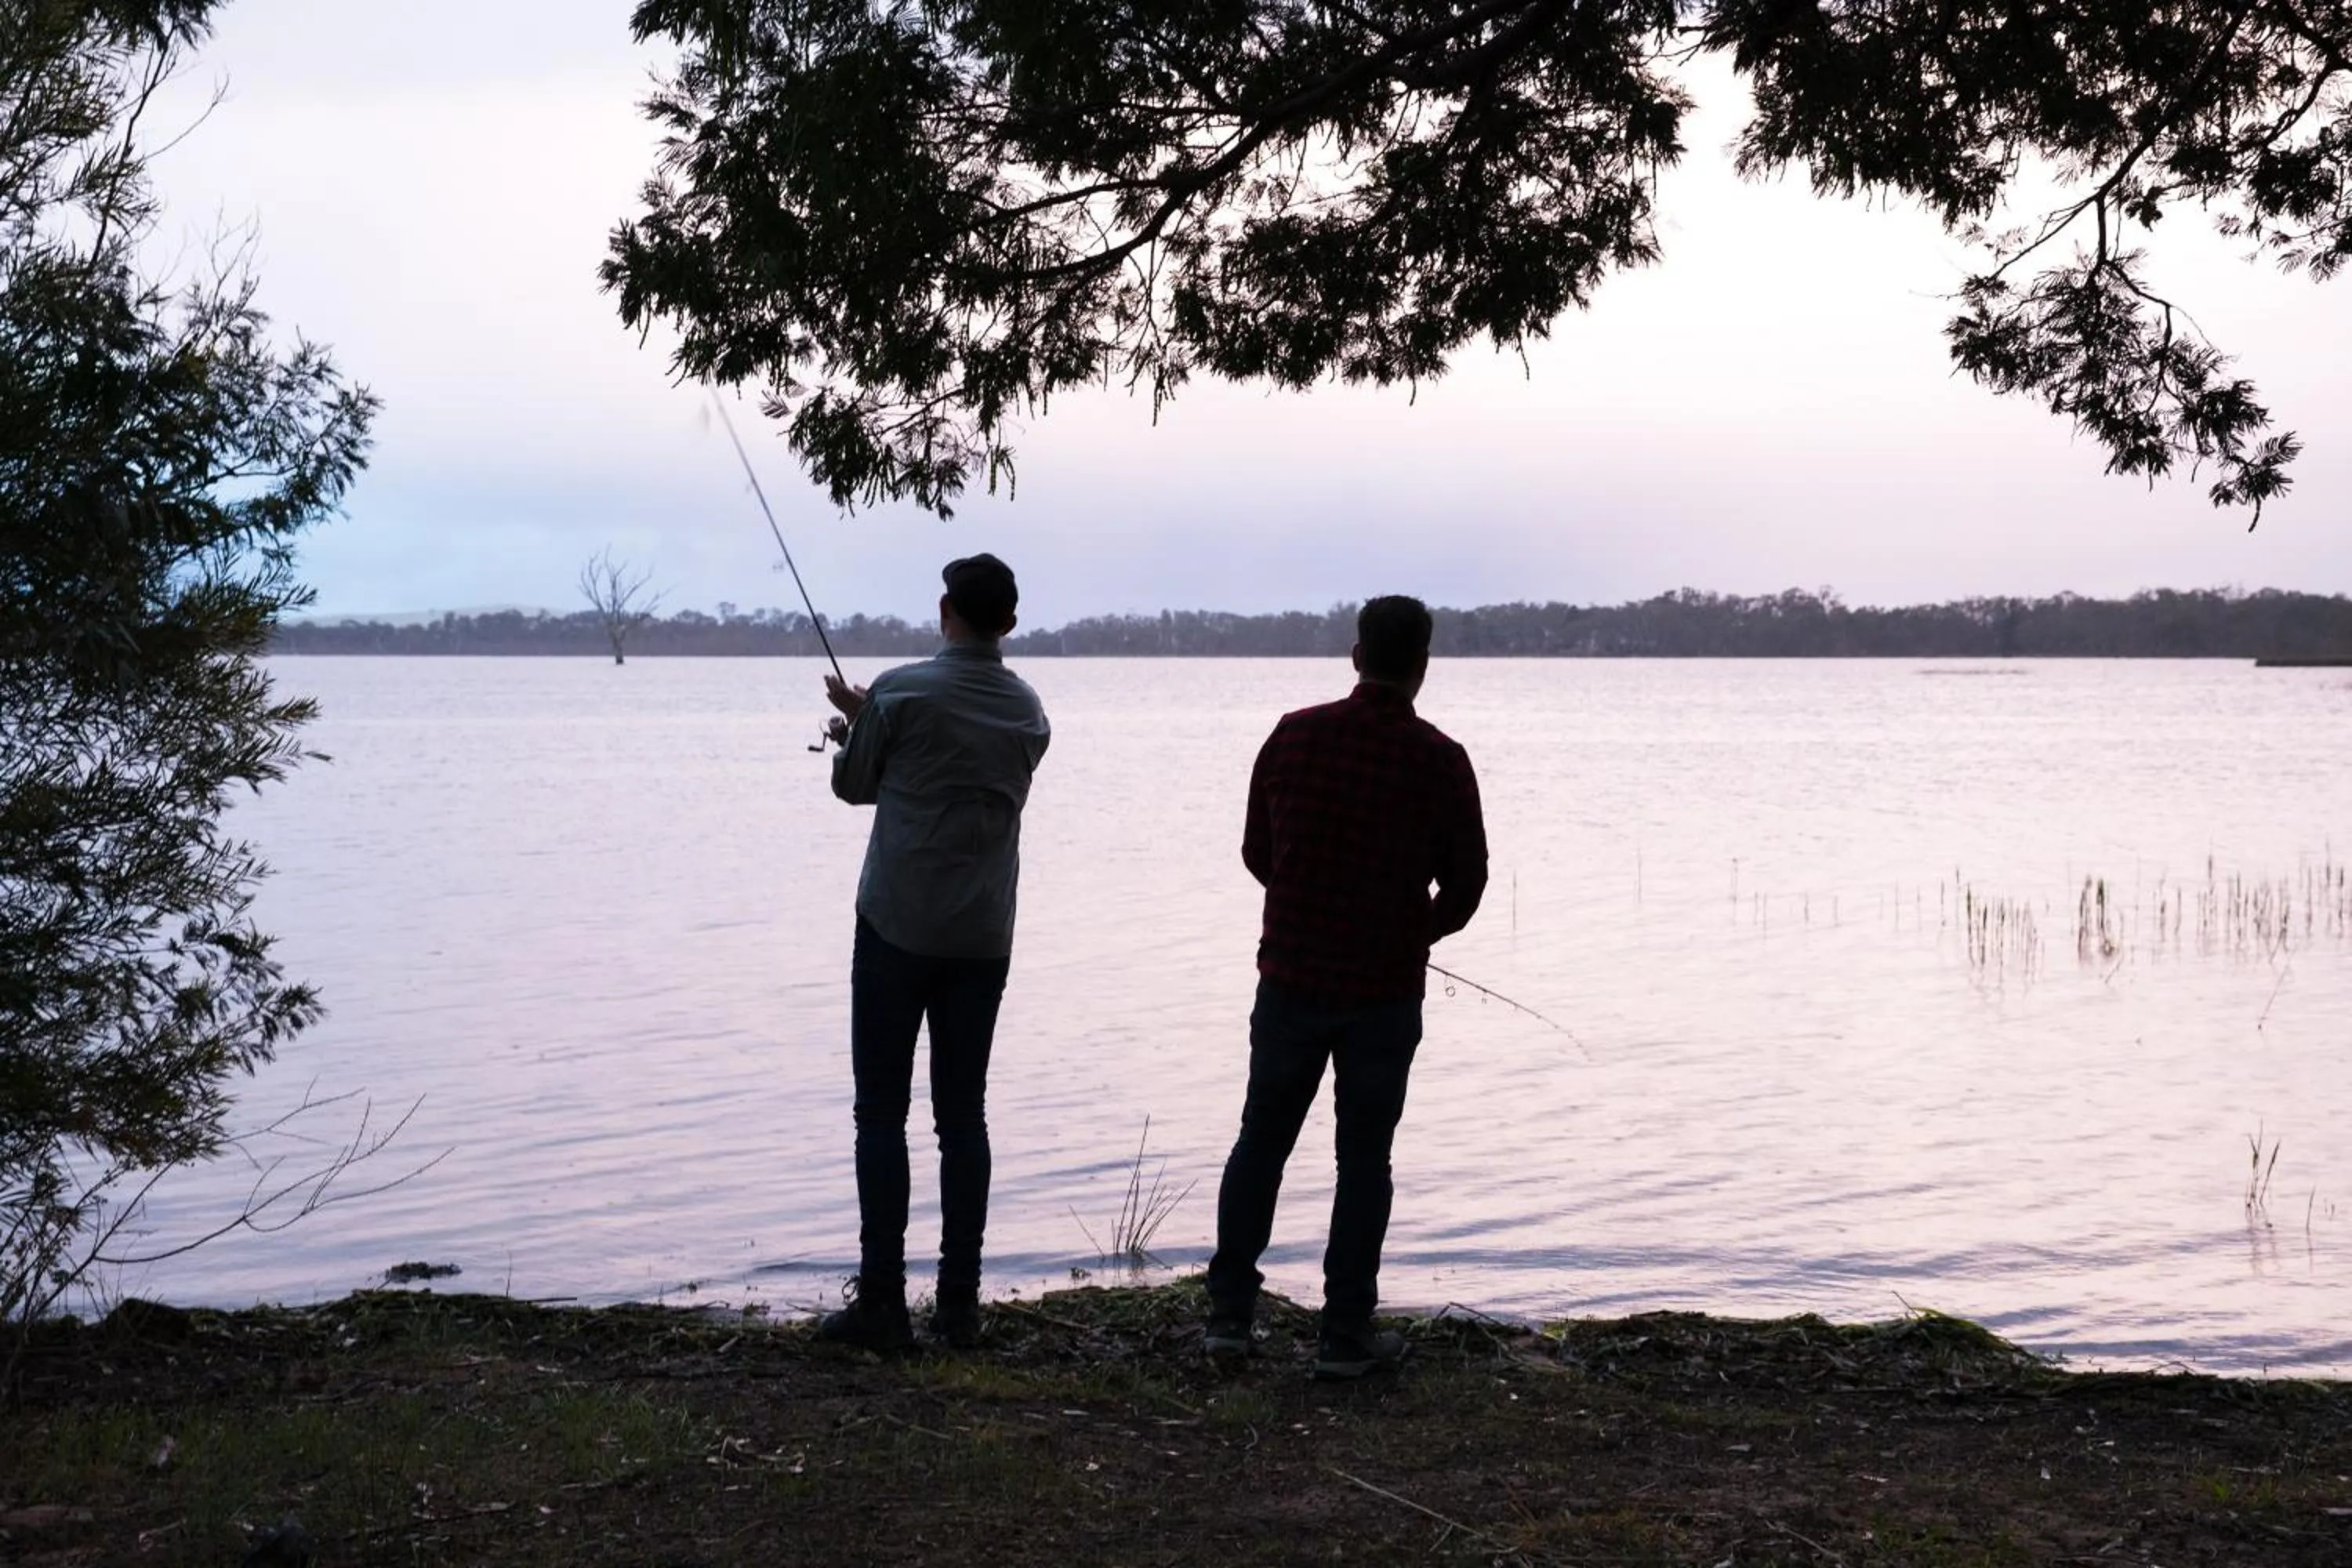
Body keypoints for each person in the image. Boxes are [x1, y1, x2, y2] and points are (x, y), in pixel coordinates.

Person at [1203, 595, 1487, 1378]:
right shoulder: (1440, 759)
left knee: (1261, 1142)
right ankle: (1343, 1334)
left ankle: (1228, 1318)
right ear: (1422, 665)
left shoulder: (1294, 735)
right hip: (1384, 992)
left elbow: (1258, 851)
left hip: (1291, 977)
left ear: (1356, 656)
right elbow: (1467, 884)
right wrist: (1416, 930)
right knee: (1364, 1160)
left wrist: (1304, 903)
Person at [816, 554, 1051, 1350]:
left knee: (881, 1113)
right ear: (1008, 624)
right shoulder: (1029, 713)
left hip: (895, 925)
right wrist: (875, 716)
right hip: (982, 936)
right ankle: (958, 1306)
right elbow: (954, 762)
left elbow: (856, 785)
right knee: (963, 1116)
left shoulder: (901, 691)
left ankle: (882, 1302)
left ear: (944, 610)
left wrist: (860, 725)